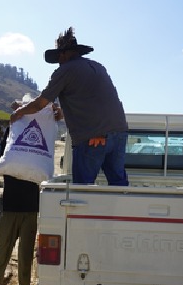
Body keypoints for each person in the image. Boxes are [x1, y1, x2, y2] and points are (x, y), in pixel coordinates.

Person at [11, 26, 128, 186]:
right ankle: (121, 210)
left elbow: (41, 103)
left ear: (64, 54)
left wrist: (19, 112)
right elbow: (90, 100)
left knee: (82, 190)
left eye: (59, 57)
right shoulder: (97, 67)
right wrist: (62, 112)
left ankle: (84, 212)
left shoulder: (66, 70)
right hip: (119, 132)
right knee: (118, 184)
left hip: (93, 138)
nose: (58, 62)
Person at [0, 98, 62, 285]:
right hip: (10, 206)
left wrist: (52, 111)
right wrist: (20, 111)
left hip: (30, 207)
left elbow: (57, 116)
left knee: (26, 254)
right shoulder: (14, 132)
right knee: (2, 254)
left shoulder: (43, 131)